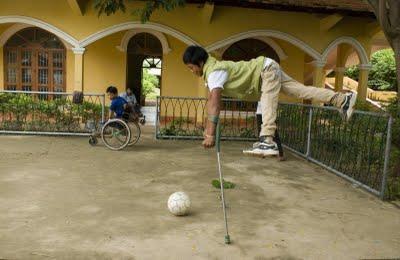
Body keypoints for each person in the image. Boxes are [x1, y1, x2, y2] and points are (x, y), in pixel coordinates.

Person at [182, 45, 357, 156]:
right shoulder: (212, 71)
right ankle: (342, 100)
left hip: (265, 71)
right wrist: (208, 129)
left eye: (191, 68)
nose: (191, 71)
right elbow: (211, 101)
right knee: (301, 91)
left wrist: (210, 134)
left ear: (199, 62)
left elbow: (214, 102)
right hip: (266, 68)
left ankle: (267, 140)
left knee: (266, 102)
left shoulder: (214, 71)